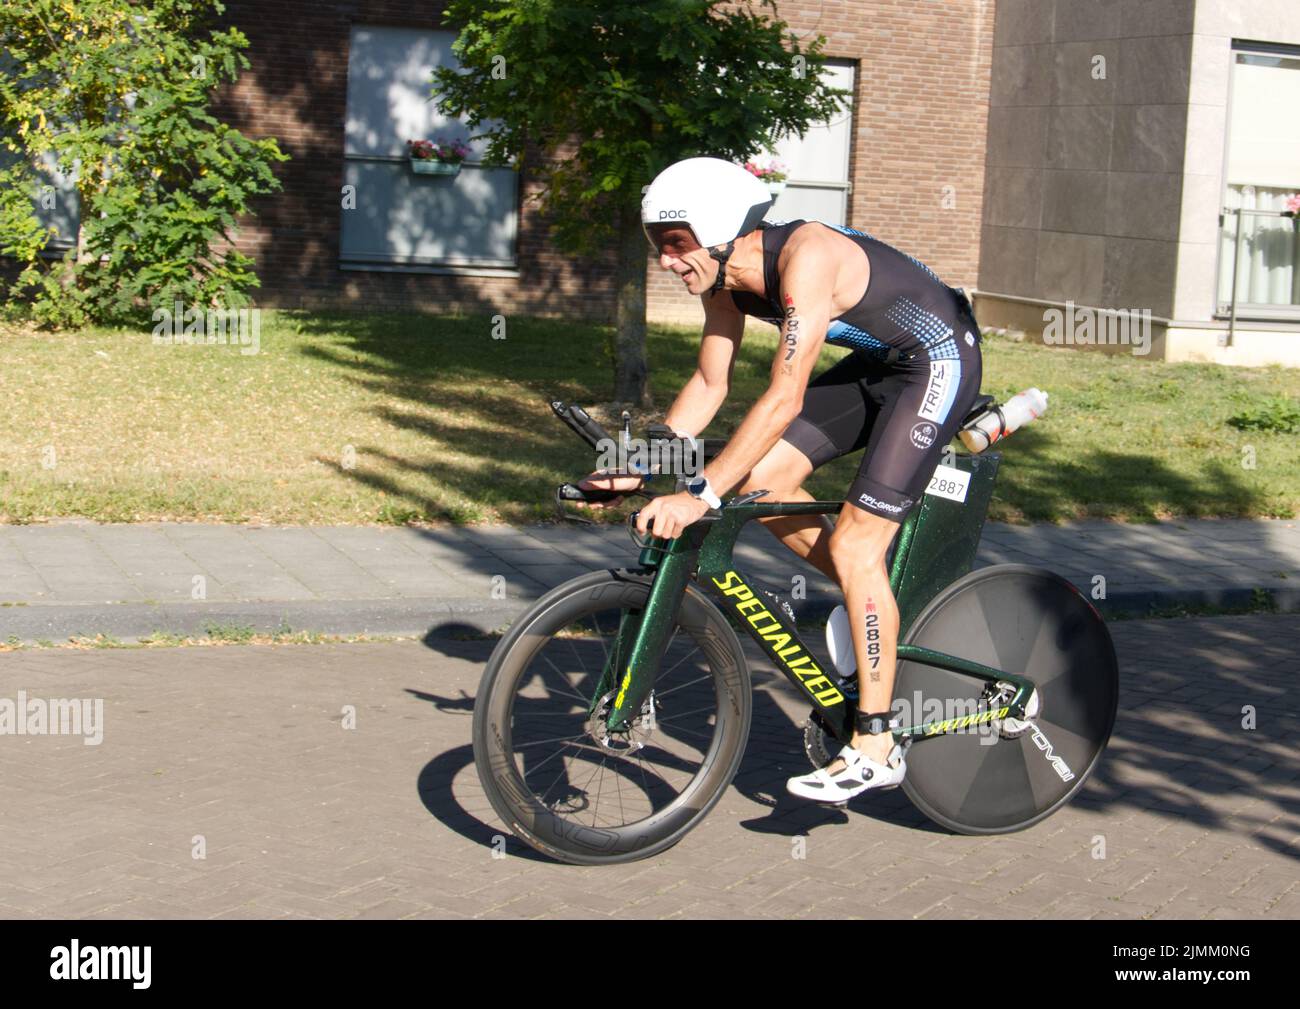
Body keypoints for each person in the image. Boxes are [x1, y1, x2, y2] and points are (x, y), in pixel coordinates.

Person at [580, 156, 983, 801]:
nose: (665, 260)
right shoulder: (723, 281)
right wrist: (638, 466)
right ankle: (872, 605)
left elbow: (785, 395)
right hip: (878, 367)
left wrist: (697, 493)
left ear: (717, 231)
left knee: (855, 545)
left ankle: (877, 745)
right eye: (658, 246)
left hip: (937, 364)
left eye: (676, 243)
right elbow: (711, 384)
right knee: (763, 483)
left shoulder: (806, 256)